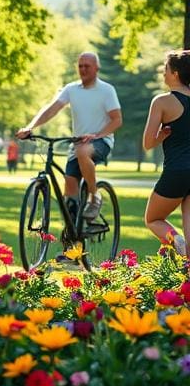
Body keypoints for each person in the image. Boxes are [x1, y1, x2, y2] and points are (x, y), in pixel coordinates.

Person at [17, 52, 122, 221]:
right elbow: (51, 108)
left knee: (82, 151)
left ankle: (94, 197)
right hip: (78, 143)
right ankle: (73, 238)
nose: (83, 69)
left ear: (97, 68)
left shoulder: (106, 90)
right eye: (80, 66)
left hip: (101, 141)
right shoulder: (71, 89)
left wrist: (96, 135)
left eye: (87, 66)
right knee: (70, 189)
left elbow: (117, 120)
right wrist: (30, 127)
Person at [142, 49, 190, 256]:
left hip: (177, 171)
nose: (163, 73)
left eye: (166, 69)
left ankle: (175, 238)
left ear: (176, 74)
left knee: (153, 219)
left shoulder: (162, 102)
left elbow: (147, 143)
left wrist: (161, 136)